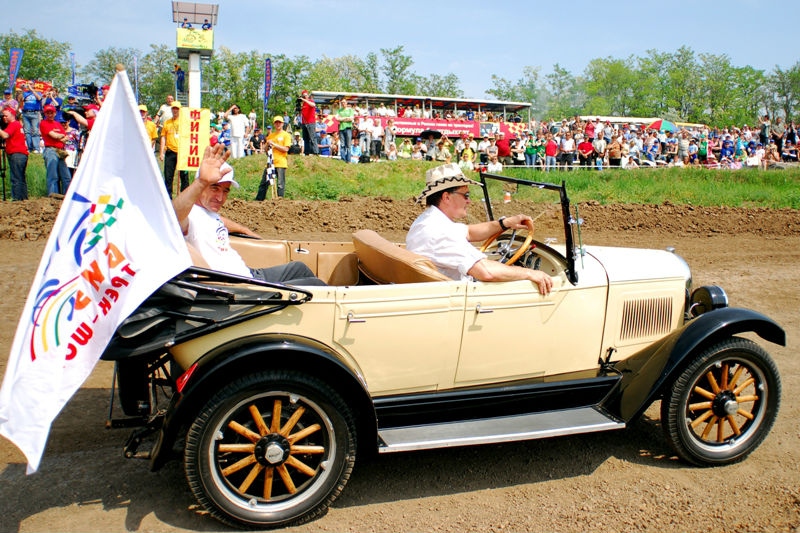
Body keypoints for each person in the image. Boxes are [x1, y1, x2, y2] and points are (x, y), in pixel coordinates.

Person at [172, 145, 325, 285]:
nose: (220, 197)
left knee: (299, 268)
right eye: (214, 188)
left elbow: (219, 221)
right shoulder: (190, 215)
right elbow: (173, 218)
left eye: (225, 191)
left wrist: (243, 229)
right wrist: (200, 182)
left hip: (248, 274)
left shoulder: (207, 213)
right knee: (316, 286)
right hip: (242, 289)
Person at [406, 163, 552, 295]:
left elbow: (469, 232)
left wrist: (505, 223)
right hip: (452, 299)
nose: (469, 201)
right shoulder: (440, 232)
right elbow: (486, 272)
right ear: (446, 197)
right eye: (466, 195)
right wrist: (530, 273)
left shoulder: (428, 221)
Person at [256, 116, 292, 199]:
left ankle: (279, 199)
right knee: (264, 182)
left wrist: (275, 145)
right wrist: (267, 144)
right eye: (276, 122)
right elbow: (266, 150)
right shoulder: (271, 136)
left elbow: (286, 149)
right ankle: (259, 200)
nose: (278, 124)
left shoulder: (286, 135)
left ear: (282, 124)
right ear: (274, 124)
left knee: (280, 184)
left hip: (281, 162)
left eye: (279, 122)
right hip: (270, 163)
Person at [39, 104, 71, 196]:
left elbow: (66, 137)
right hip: (51, 150)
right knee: (53, 176)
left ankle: (66, 197)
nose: (49, 115)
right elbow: (54, 135)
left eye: (51, 112)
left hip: (60, 151)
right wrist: (59, 136)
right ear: (45, 114)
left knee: (66, 176)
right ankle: (53, 197)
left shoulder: (57, 123)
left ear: (55, 113)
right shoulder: (43, 123)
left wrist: (58, 137)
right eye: (48, 113)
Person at [159, 100, 189, 198]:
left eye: (177, 109)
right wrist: (161, 152)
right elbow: (163, 137)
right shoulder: (167, 123)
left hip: (182, 152)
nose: (175, 110)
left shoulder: (185, 122)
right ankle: (168, 197)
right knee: (168, 176)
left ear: (180, 110)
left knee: (184, 176)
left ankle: (184, 196)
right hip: (170, 151)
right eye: (173, 108)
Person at [0, 105, 29, 200]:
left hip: (16, 153)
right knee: (20, 177)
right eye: (3, 116)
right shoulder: (17, 124)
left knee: (16, 178)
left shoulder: (13, 124)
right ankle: (23, 198)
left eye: (6, 115)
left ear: (12, 115)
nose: (4, 117)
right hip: (20, 153)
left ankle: (17, 199)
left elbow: (5, 135)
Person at [20, 81, 43, 153]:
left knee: (35, 131)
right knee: (27, 131)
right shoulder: (25, 93)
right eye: (28, 84)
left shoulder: (38, 92)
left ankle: (36, 148)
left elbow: (39, 98)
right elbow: (20, 101)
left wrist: (32, 90)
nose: (29, 85)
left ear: (33, 85)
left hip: (34, 113)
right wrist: (22, 90)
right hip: (26, 113)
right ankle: (29, 148)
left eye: (31, 84)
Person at [298, 90, 318, 156]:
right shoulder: (303, 104)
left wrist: (305, 100)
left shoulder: (310, 101)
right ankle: (307, 152)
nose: (304, 97)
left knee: (312, 138)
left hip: (311, 122)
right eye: (303, 96)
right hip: (304, 123)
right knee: (305, 138)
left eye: (305, 95)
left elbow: (313, 105)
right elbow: (300, 114)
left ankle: (315, 152)